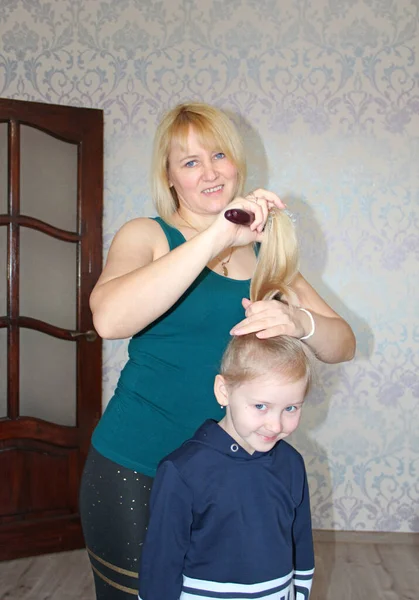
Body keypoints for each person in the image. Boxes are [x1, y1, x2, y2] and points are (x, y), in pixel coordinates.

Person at [79, 102, 355, 599]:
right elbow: (108, 319)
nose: (209, 172)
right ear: (169, 178)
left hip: (234, 479)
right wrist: (217, 235)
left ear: (237, 164)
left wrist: (300, 320)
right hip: (135, 467)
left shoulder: (268, 254)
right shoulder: (147, 236)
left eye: (220, 155)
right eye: (189, 162)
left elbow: (342, 344)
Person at [138, 209, 315, 600]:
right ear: (223, 391)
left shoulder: (291, 465)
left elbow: (300, 540)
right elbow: (161, 563)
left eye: (291, 408)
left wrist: (299, 591)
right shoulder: (182, 471)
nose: (276, 424)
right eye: (261, 407)